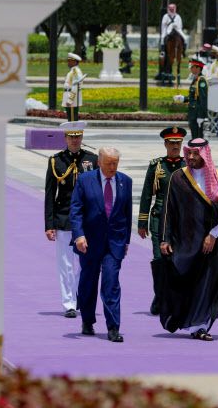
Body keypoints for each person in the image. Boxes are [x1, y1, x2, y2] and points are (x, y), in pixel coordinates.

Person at [158, 138, 218, 341]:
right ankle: (188, 322)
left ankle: (201, 326)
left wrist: (213, 235)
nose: (191, 157)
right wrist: (165, 239)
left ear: (204, 155)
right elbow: (169, 210)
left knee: (208, 284)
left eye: (195, 154)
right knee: (186, 283)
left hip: (211, 244)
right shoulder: (178, 178)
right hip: (186, 243)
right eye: (189, 153)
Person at [70, 147, 133, 343]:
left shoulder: (125, 181)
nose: (112, 167)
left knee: (111, 283)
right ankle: (87, 320)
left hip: (114, 243)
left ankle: (113, 327)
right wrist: (79, 235)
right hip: (89, 242)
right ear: (99, 162)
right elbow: (76, 210)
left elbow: (127, 214)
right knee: (88, 283)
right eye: (108, 163)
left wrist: (126, 241)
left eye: (115, 163)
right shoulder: (85, 180)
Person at [44, 121, 98, 318]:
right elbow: (50, 194)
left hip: (87, 219)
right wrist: (49, 224)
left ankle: (78, 294)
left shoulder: (92, 160)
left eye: (78, 136)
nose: (75, 140)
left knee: (85, 262)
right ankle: (69, 304)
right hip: (64, 217)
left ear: (82, 137)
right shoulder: (56, 161)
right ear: (65, 138)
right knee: (66, 263)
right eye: (71, 137)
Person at [138, 127, 186, 315]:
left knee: (176, 260)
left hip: (180, 220)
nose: (175, 146)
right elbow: (146, 194)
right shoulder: (156, 166)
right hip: (159, 218)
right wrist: (142, 222)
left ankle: (174, 298)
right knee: (159, 259)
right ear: (165, 144)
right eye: (172, 143)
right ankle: (159, 297)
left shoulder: (187, 166)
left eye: (178, 143)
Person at [184, 59, 208, 139]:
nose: (191, 69)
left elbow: (203, 99)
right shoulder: (195, 79)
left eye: (192, 67)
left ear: (198, 68)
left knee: (198, 135)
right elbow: (193, 97)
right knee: (194, 134)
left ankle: (199, 147)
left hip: (198, 112)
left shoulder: (201, 80)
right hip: (193, 111)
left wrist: (201, 115)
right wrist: (183, 99)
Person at [62, 53, 84, 122]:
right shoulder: (72, 71)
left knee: (72, 120)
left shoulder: (75, 71)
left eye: (70, 61)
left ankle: (73, 129)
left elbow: (76, 86)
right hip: (69, 95)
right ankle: (72, 129)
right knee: (71, 119)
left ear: (74, 62)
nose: (68, 63)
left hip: (72, 98)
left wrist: (70, 99)